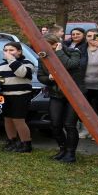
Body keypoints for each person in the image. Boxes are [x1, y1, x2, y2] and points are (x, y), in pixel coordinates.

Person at [38, 33, 84, 162]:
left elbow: (71, 65)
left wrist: (59, 52)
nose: (47, 49)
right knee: (55, 124)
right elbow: (40, 76)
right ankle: (62, 149)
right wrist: (49, 78)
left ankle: (71, 153)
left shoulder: (74, 52)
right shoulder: (43, 57)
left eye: (50, 45)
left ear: (56, 43)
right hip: (56, 94)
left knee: (69, 125)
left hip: (73, 94)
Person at [0, 41, 35, 153]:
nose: (8, 52)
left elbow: (22, 73)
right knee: (8, 119)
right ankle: (12, 141)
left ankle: (26, 143)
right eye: (5, 50)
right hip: (6, 96)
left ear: (19, 52)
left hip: (21, 95)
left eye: (11, 50)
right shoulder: (1, 65)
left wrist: (11, 60)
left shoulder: (27, 63)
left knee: (18, 120)